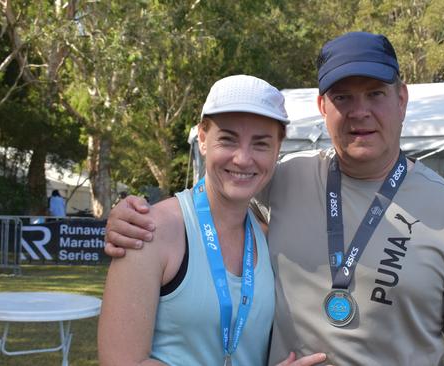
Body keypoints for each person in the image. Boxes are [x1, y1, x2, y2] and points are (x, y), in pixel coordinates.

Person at [104, 32, 444, 364]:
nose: (359, 111)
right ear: (322, 107)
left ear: (401, 99)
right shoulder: (285, 179)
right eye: (343, 97)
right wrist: (130, 215)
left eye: (375, 94)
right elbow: (217, 199)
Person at [97, 75, 325, 366]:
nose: (243, 159)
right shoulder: (148, 232)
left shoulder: (268, 238)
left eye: (261, 144)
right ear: (203, 139)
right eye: (228, 139)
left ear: (278, 148)